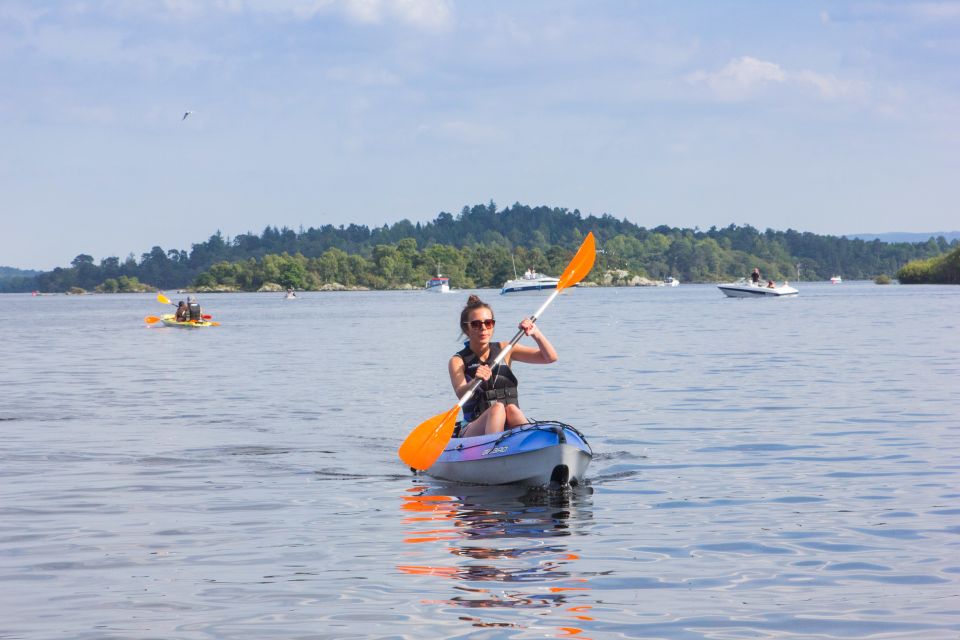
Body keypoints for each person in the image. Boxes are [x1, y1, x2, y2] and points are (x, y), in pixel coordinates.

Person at [449, 294, 558, 438]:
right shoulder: (458, 361)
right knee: (498, 408)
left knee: (512, 409)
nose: (483, 328)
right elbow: (461, 394)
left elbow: (550, 357)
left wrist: (535, 333)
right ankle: (492, 451)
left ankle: (533, 444)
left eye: (488, 323)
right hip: (473, 428)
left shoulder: (506, 349)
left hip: (509, 422)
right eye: (476, 324)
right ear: (466, 329)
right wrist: (475, 381)